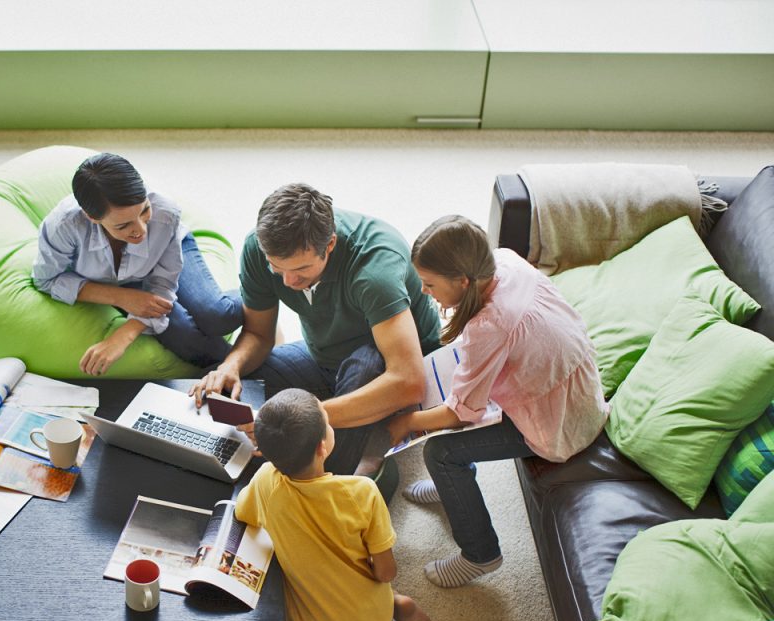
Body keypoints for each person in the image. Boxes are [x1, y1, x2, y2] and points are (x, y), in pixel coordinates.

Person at [387, 215, 610, 588]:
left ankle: (481, 555)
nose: (424, 292)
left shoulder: (489, 326)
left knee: (440, 453)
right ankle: (451, 489)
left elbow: (461, 413)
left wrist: (406, 423)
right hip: (579, 394)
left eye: (430, 284)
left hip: (557, 425)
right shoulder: (505, 260)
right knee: (452, 395)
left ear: (463, 281)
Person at [190, 183, 441, 497]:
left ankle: (343, 477)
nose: (288, 281)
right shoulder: (258, 248)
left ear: (330, 244)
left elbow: (408, 382)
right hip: (324, 357)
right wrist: (232, 365)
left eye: (301, 269)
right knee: (234, 385)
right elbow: (258, 334)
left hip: (389, 371)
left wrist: (309, 418)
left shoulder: (375, 269)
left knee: (361, 369)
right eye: (276, 268)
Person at [234, 388, 437, 621]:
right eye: (328, 422)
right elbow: (386, 572)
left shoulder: (265, 480)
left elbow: (243, 513)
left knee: (292, 610)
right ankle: (396, 605)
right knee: (365, 584)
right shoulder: (362, 492)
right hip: (377, 618)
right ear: (322, 447)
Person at [33, 153, 242, 374]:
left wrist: (125, 333)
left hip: (167, 252)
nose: (141, 231)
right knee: (184, 337)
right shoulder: (64, 226)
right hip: (116, 281)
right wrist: (120, 297)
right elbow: (46, 279)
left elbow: (163, 284)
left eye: (144, 211)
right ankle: (241, 367)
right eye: (123, 225)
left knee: (217, 315)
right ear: (92, 217)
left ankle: (261, 289)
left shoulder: (165, 213)